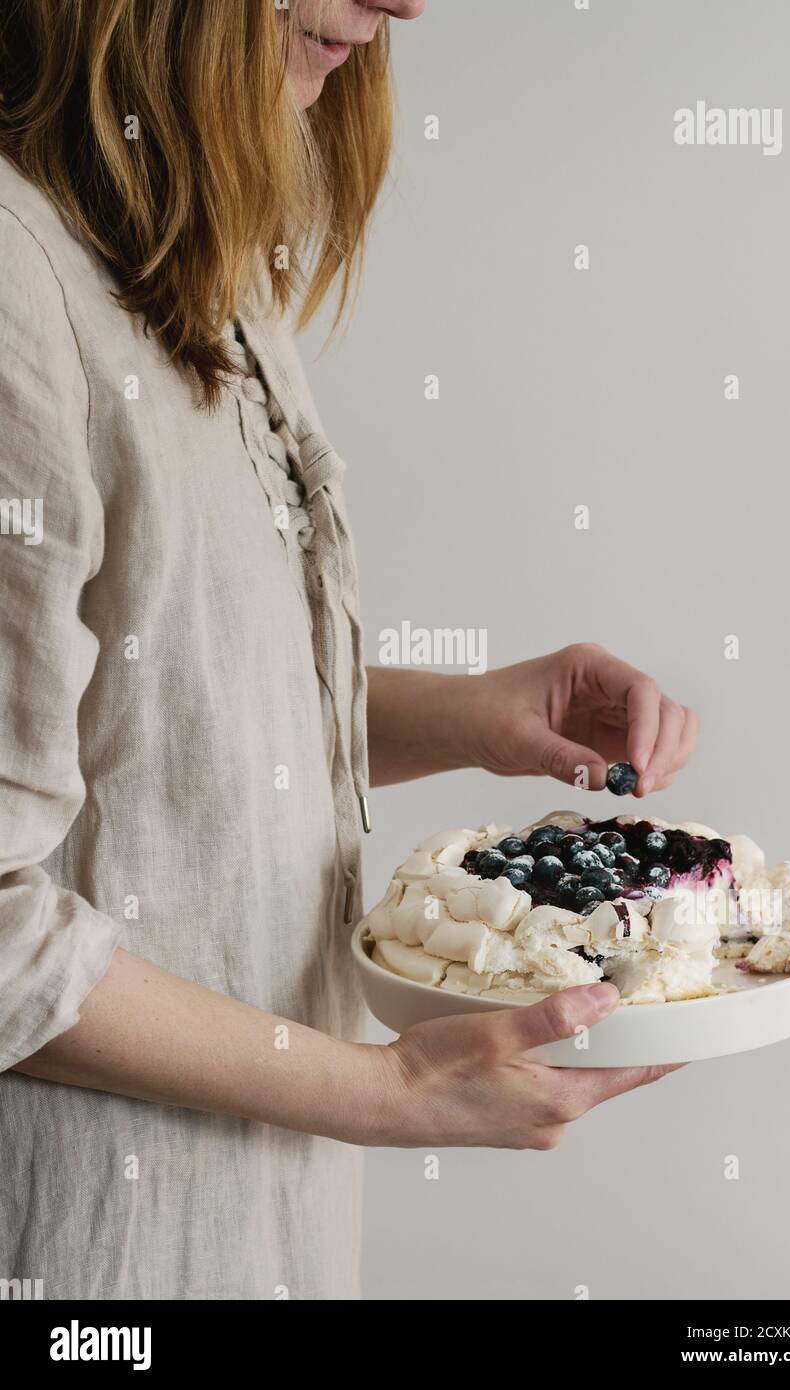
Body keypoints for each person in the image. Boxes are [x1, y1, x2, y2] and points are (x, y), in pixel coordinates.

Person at [0, 0, 698, 1300]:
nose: (405, 4)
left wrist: (466, 713)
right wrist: (377, 1087)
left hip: (266, 1231)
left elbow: (147, 713)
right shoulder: (15, 288)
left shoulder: (196, 251)